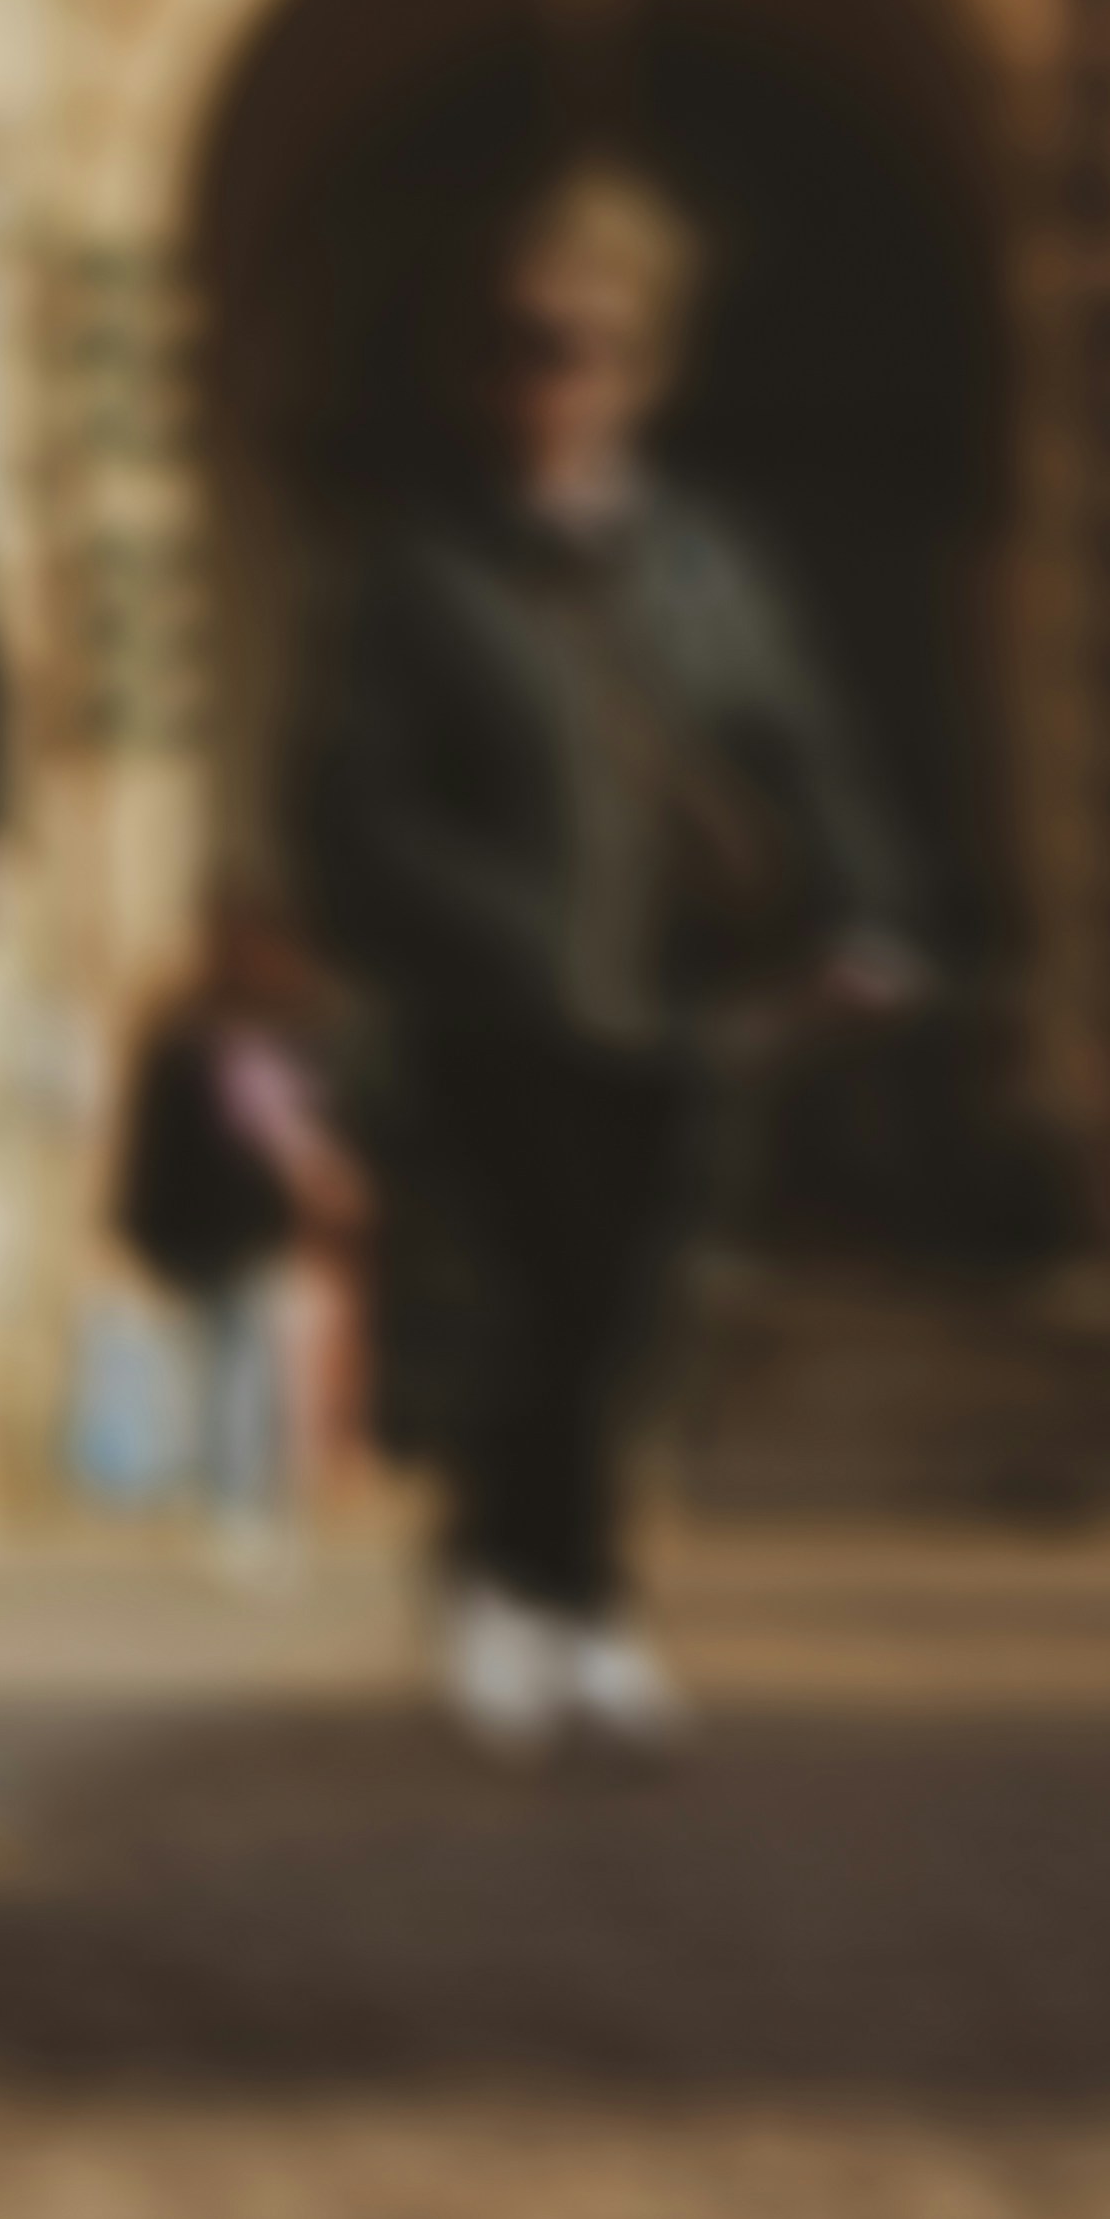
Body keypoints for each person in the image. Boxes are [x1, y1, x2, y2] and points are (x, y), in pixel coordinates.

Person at [297, 161, 920, 1765]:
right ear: (481, 365)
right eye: (524, 344)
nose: (555, 377)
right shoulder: (422, 570)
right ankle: (555, 1604)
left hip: (676, 999)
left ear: (645, 367)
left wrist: (861, 910)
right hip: (494, 1006)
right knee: (523, 1306)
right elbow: (353, 803)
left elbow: (798, 747)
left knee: (624, 1316)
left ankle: (537, 1588)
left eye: (588, 346)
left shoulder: (707, 564)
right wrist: (477, 920)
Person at [115, 890, 371, 1571]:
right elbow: (171, 1143)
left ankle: (235, 1495)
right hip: (223, 1226)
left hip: (237, 1226)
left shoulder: (236, 1033)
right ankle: (232, 1498)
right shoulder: (215, 1039)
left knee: (238, 1358)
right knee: (239, 1359)